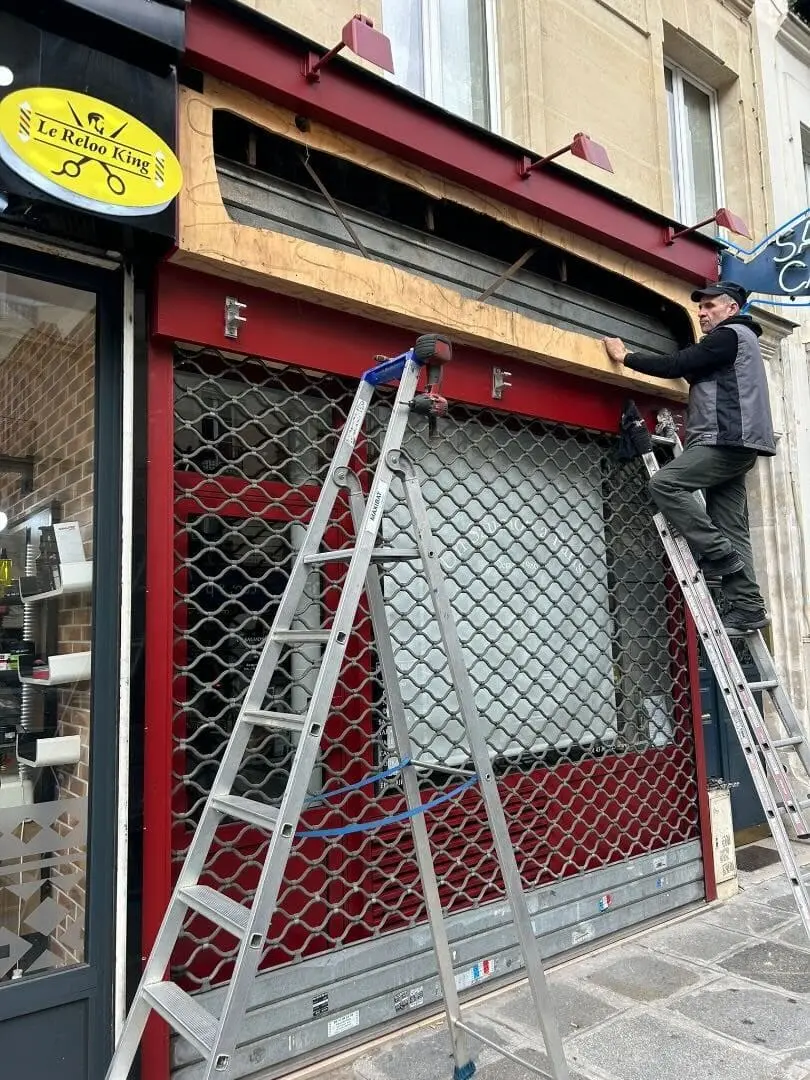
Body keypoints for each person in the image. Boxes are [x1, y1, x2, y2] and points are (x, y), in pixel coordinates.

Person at [602, 281, 775, 633]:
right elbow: (692, 367)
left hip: (724, 441)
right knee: (732, 525)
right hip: (738, 445)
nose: (701, 312)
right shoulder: (734, 346)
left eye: (710, 306)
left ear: (731, 309)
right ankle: (749, 606)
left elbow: (677, 363)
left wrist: (626, 357)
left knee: (665, 483)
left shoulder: (731, 336)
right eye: (700, 307)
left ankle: (716, 553)